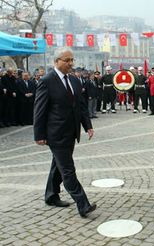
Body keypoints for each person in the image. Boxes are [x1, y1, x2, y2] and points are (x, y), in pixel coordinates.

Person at [33, 47, 96, 218]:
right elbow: (39, 110)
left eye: (72, 60)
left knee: (58, 167)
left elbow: (80, 107)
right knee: (67, 169)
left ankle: (51, 196)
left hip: (71, 132)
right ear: (56, 61)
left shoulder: (75, 81)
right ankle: (83, 204)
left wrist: (87, 125)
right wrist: (38, 135)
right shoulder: (47, 81)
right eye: (67, 60)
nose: (70, 63)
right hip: (55, 134)